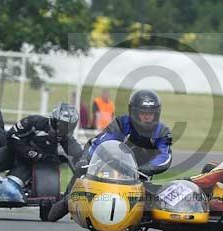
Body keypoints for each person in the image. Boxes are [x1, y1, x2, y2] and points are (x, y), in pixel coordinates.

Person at [48, 89, 173, 221]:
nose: (147, 117)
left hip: (140, 174)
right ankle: (68, 199)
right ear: (134, 112)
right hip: (112, 167)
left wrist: (146, 169)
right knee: (82, 168)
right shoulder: (122, 123)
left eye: (151, 113)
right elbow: (98, 142)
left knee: (156, 201)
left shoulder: (162, 132)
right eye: (143, 113)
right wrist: (85, 159)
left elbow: (165, 157)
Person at [0, 103, 83, 190]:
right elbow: (10, 136)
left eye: (66, 127)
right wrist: (29, 152)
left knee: (9, 187)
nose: (61, 130)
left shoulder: (70, 144)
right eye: (60, 125)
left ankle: (27, 185)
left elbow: (81, 162)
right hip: (11, 153)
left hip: (28, 165)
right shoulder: (34, 122)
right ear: (53, 120)